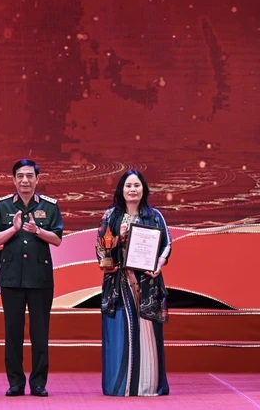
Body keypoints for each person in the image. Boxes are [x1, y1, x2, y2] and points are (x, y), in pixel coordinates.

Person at [0, 159, 63, 397]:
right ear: (14, 180)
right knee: (13, 333)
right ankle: (16, 383)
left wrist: (37, 231)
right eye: (20, 176)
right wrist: (13, 228)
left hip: (40, 278)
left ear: (37, 179)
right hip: (11, 278)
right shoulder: (2, 207)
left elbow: (58, 239)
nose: (25, 180)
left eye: (30, 176)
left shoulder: (50, 207)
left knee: (40, 333)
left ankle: (39, 383)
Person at [96, 169, 171, 396]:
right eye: (128, 186)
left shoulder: (154, 216)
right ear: (121, 190)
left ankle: (148, 384)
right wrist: (109, 253)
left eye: (137, 186)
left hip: (146, 283)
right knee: (119, 331)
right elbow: (100, 247)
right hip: (118, 283)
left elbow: (166, 244)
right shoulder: (110, 216)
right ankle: (120, 386)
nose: (132, 190)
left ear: (143, 190)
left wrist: (159, 263)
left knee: (147, 331)